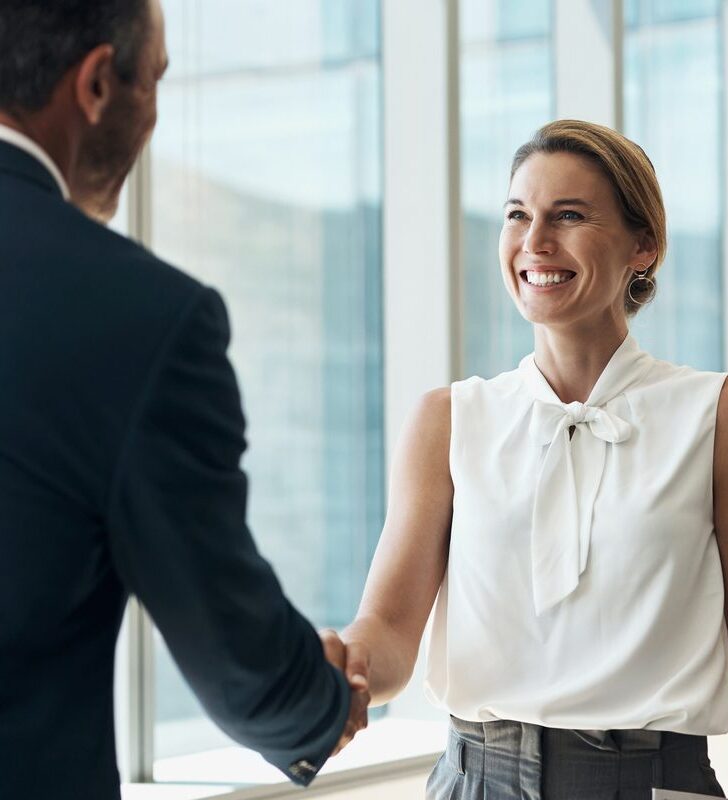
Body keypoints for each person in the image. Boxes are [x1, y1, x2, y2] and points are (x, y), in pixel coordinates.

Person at [324, 120, 728, 798]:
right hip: (473, 782)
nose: (535, 242)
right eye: (518, 215)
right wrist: (349, 665)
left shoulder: (726, 418)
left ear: (645, 245)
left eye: (568, 216)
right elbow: (392, 630)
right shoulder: (448, 420)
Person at [0, 1, 368, 798]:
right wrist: (323, 701)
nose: (155, 114)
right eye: (155, 80)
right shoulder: (138, 316)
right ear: (98, 83)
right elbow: (242, 668)